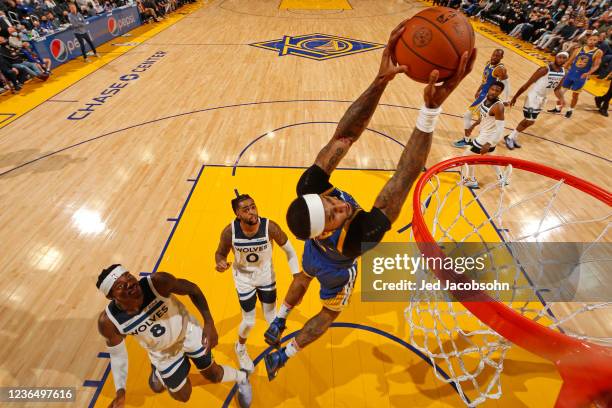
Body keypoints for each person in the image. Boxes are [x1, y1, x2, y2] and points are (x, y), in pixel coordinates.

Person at [262, 21, 476, 381]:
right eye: (333, 215)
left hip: (314, 258)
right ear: (323, 231)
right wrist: (430, 110)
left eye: (331, 204)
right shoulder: (360, 234)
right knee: (329, 312)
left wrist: (381, 80)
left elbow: (344, 136)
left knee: (303, 273)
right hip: (336, 270)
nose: (340, 207)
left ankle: (281, 317)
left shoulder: (310, 189)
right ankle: (287, 351)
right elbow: (404, 176)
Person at [96, 265, 252, 407]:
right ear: (111, 296)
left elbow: (193, 289)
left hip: (188, 333)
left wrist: (209, 323)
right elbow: (117, 356)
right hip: (163, 352)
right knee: (183, 396)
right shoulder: (109, 322)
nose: (130, 283)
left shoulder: (158, 283)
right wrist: (120, 392)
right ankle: (159, 369)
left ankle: (242, 378)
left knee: (214, 375)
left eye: (129, 276)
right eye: (121, 286)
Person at [215, 194, 299, 373]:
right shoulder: (229, 232)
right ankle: (240, 348)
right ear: (238, 214)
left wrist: (297, 275)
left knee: (271, 318)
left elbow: (290, 252)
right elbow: (220, 253)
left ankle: (277, 349)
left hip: (266, 276)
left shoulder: (270, 227)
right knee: (249, 321)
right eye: (246, 210)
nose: (252, 212)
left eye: (253, 206)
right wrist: (220, 263)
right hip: (243, 279)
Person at [504, 52, 568, 150]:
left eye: (564, 58)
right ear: (556, 57)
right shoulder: (545, 69)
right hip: (534, 97)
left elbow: (557, 89)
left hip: (543, 98)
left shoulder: (563, 72)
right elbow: (527, 84)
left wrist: (562, 99)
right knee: (529, 120)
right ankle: (510, 137)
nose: (561, 59)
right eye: (560, 57)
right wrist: (515, 97)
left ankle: (512, 137)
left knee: (531, 122)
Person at [453, 48, 509, 148]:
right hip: (483, 93)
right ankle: (481, 139)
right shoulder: (489, 64)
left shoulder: (500, 69)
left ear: (501, 58)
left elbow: (505, 84)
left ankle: (467, 140)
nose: (494, 57)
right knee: (482, 119)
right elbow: (485, 80)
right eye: (494, 55)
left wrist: (505, 99)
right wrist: (479, 89)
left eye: (497, 56)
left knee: (468, 115)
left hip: (487, 97)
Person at [461, 81, 507, 188]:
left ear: (500, 93)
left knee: (467, 157)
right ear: (489, 88)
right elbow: (483, 116)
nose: (493, 92)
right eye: (492, 89)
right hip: (485, 135)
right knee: (491, 158)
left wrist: (489, 143)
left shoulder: (498, 107)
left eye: (497, 91)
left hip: (487, 138)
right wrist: (473, 126)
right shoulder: (486, 99)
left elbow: (500, 129)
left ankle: (472, 180)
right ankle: (501, 178)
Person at [548, 34, 603, 118]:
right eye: (591, 39)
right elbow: (569, 61)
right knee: (560, 92)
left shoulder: (598, 52)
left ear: (598, 41)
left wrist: (588, 73)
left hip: (581, 76)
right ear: (587, 40)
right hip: (571, 73)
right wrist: (562, 70)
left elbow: (596, 65)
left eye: (594, 40)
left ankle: (570, 110)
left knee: (575, 95)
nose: (592, 41)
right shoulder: (578, 49)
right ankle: (558, 108)